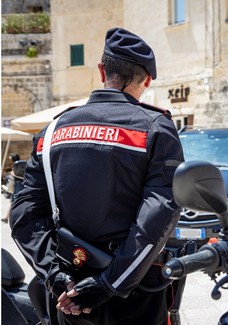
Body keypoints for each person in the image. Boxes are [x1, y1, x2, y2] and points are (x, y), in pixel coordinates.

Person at [9, 27, 184, 325]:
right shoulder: (155, 129)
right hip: (134, 296)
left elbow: (23, 213)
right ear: (148, 79)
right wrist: (109, 284)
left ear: (102, 70)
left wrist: (54, 273)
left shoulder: (52, 131)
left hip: (69, 294)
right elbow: (156, 219)